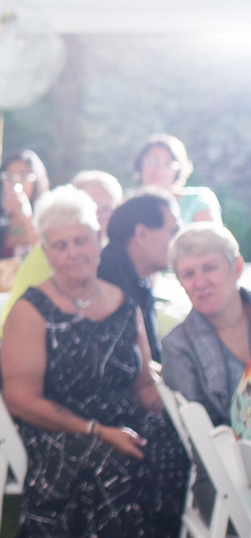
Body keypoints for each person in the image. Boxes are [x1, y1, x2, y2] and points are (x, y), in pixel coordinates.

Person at [1, 186, 187, 538]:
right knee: (114, 465)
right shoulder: (31, 309)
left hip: (121, 420)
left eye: (81, 240)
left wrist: (173, 416)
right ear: (47, 251)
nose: (73, 253)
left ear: (98, 240)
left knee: (179, 452)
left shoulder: (124, 302)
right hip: (61, 432)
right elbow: (21, 398)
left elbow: (145, 384)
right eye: (60, 245)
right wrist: (99, 432)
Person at [162, 223, 251, 426]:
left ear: (237, 267)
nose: (200, 283)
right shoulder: (178, 347)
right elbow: (206, 434)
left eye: (210, 268)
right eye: (188, 274)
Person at [2, 169, 124, 315]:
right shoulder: (49, 255)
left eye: (106, 209)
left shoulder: (114, 256)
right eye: (87, 209)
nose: (96, 217)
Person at [97, 189, 180, 358]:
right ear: (142, 234)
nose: (179, 242)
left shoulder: (138, 279)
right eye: (173, 232)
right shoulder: (106, 284)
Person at [133, 134, 220, 226]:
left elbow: (212, 239)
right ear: (140, 163)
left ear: (179, 169)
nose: (159, 169)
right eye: (152, 161)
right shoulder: (129, 203)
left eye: (168, 164)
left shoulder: (198, 200)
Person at [0, 149, 49, 263]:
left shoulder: (47, 219)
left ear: (36, 182)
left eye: (24, 177)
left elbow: (47, 257)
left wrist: (26, 217)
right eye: (9, 177)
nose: (15, 184)